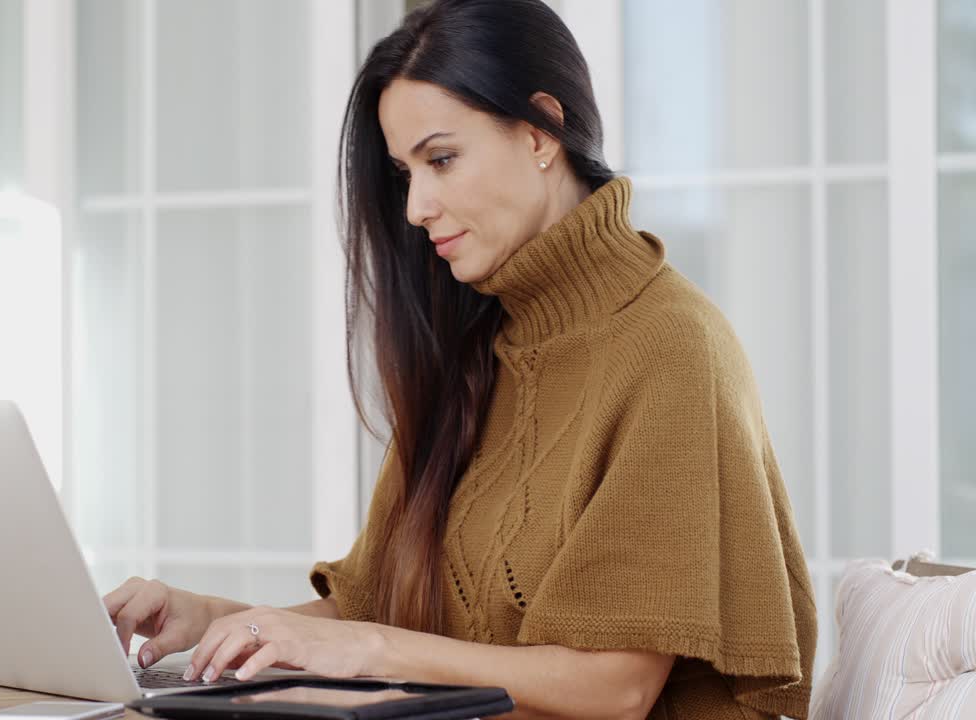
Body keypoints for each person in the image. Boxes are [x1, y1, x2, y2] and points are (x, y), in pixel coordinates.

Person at [103, 0, 816, 716]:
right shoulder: (480, 345)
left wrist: (370, 651)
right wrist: (215, 623)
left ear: (541, 131)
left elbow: (616, 688)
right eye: (405, 173)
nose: (416, 207)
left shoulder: (670, 349)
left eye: (441, 159)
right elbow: (384, 613)